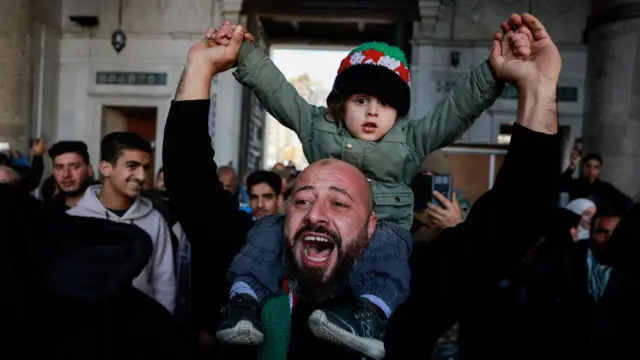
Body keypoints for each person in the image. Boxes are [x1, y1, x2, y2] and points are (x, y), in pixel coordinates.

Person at [164, 12, 562, 359]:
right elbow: (190, 185)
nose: (317, 213)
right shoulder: (255, 253)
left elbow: (518, 214)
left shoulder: (412, 286)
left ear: (372, 223)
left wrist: (538, 89)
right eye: (303, 199)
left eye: (340, 204)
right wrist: (201, 67)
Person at [67, 132, 176, 313]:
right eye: (132, 166)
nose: (141, 176)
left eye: (145, 167)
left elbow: (165, 283)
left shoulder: (154, 219)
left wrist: (162, 330)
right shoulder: (75, 219)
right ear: (106, 168)